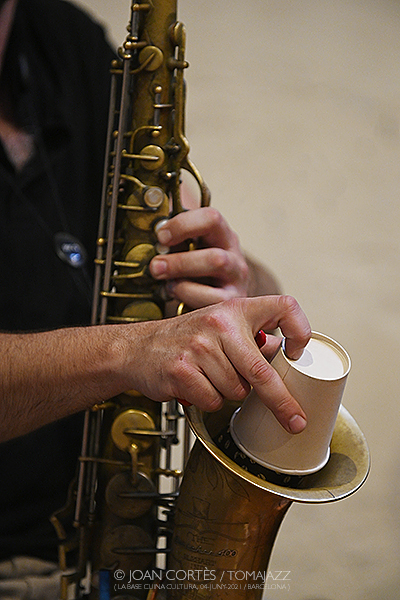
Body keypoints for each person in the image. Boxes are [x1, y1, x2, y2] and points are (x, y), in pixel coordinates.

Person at [0, 0, 310, 595]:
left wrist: (235, 290)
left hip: (113, 555)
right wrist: (127, 351)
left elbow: (175, 282)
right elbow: (137, 345)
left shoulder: (65, 43)